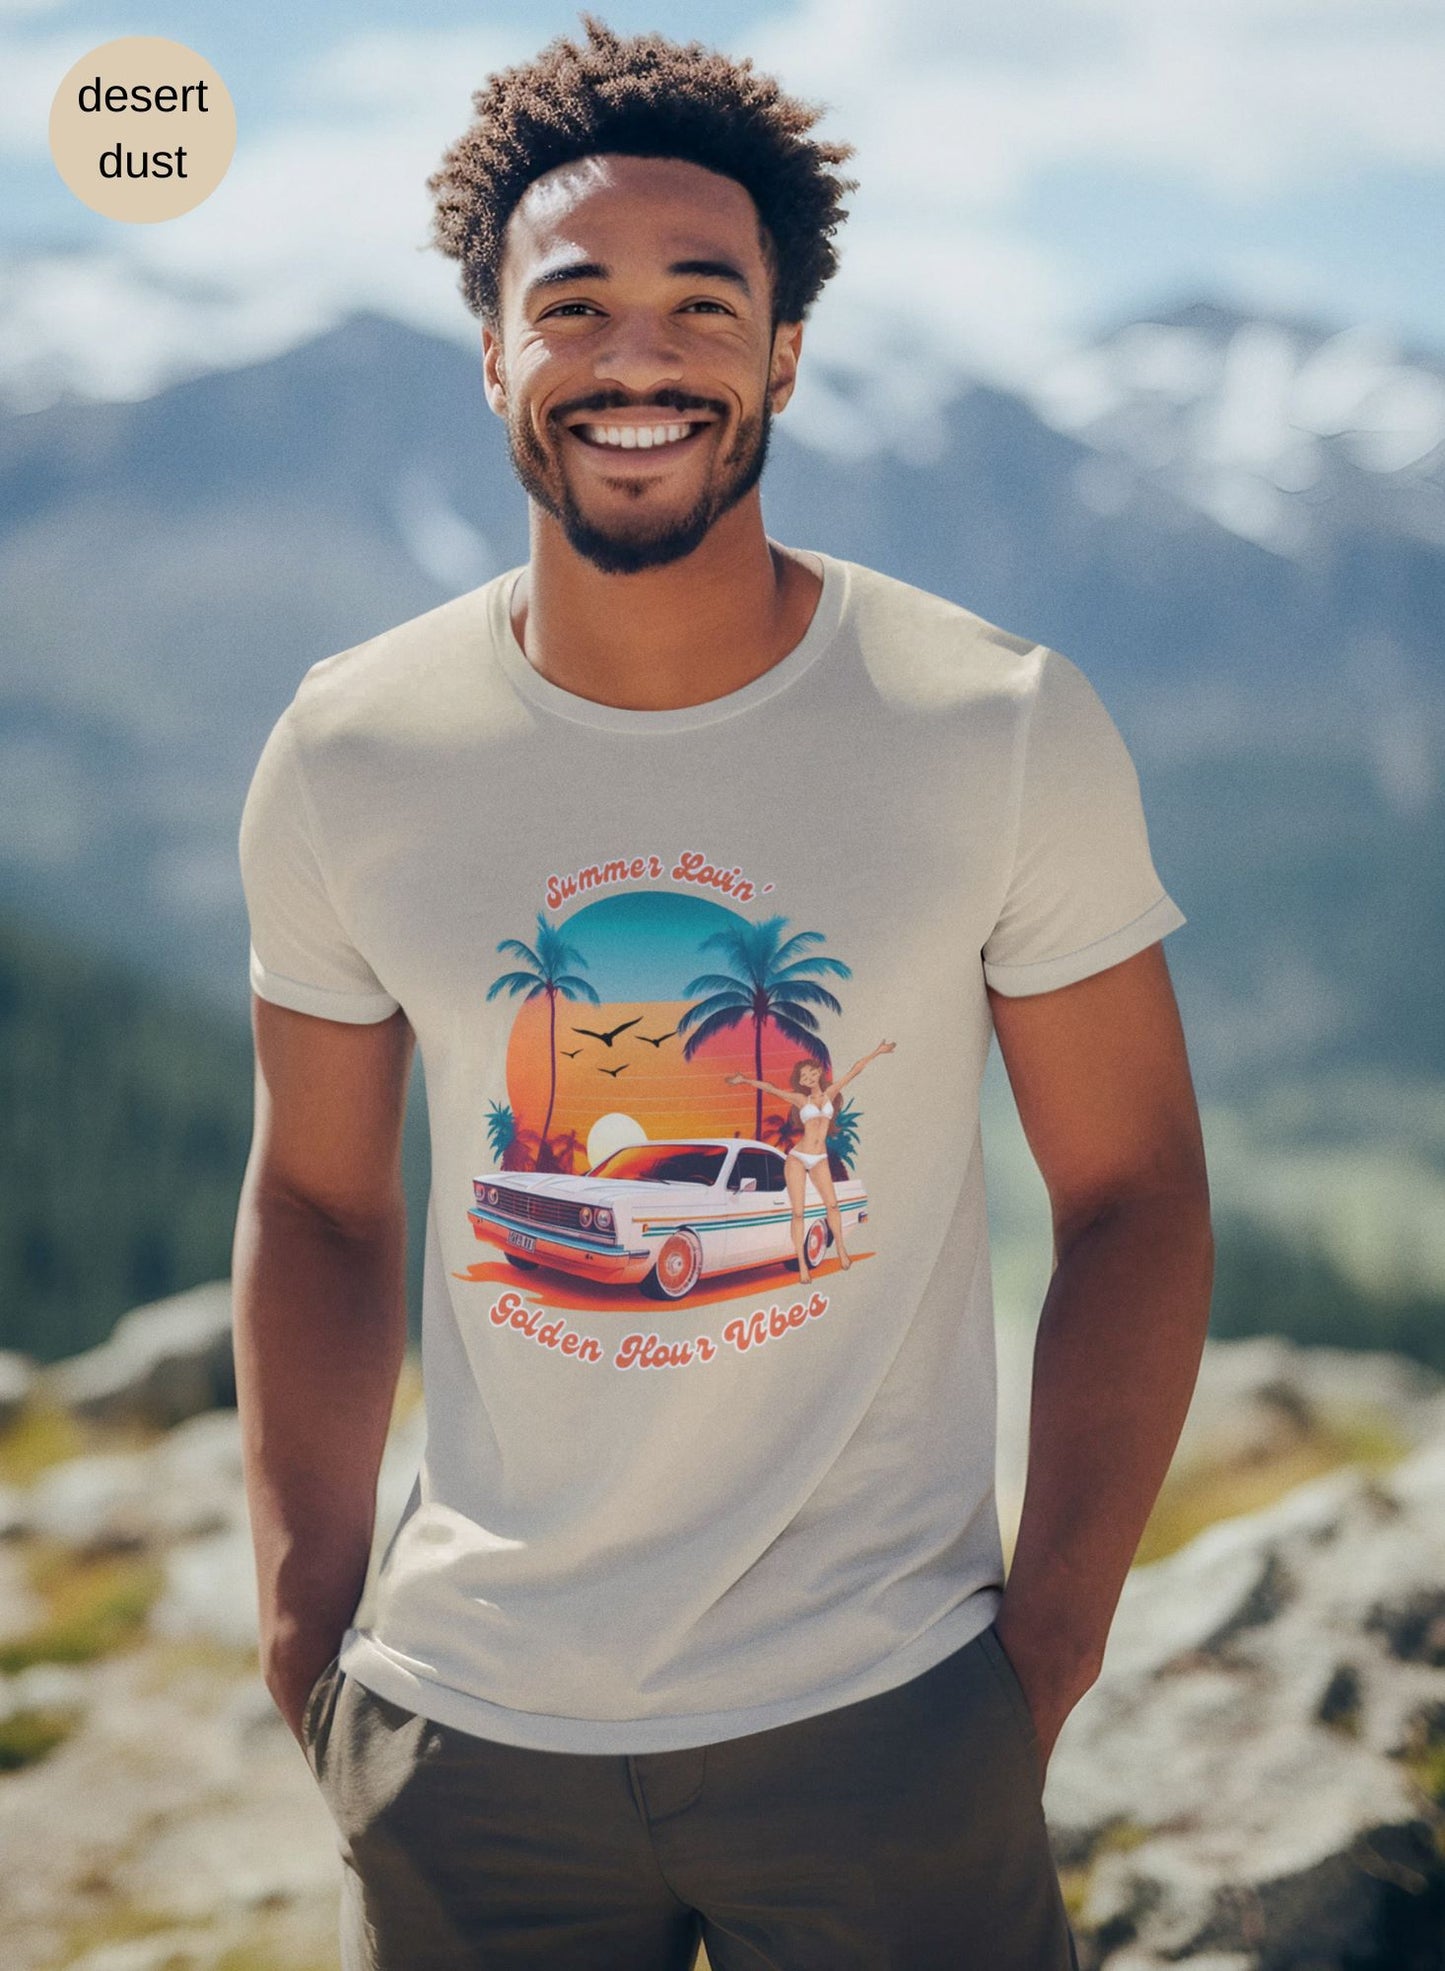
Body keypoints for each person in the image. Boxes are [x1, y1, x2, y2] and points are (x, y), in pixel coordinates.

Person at [234, 14, 1214, 1969]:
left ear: (778, 351)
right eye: (572, 299)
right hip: (467, 1746)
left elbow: (1133, 1193)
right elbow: (322, 1199)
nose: (635, 351)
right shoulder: (351, 746)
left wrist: (1045, 1641)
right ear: (492, 351)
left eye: (703, 299)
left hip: (887, 1729)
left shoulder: (989, 721)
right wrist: (307, 1630)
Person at [725, 1047, 895, 1279]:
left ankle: (842, 1251)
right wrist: (744, 1080)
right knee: (798, 1213)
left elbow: (855, 1070)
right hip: (798, 1157)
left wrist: (878, 1051)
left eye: (811, 1074)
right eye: (803, 1077)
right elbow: (771, 1089)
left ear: (818, 1072)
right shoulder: (799, 1099)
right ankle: (802, 1265)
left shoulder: (831, 1093)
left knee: (832, 1206)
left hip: (819, 1158)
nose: (808, 1079)